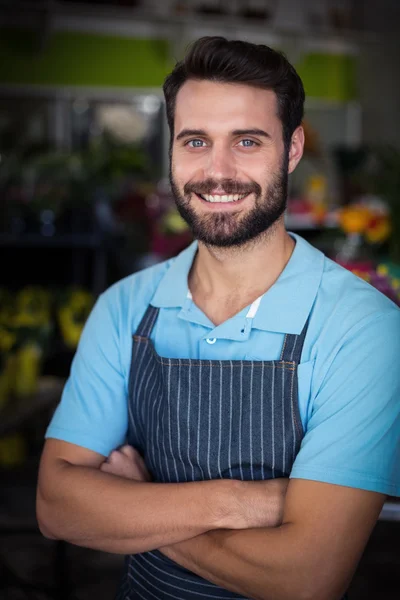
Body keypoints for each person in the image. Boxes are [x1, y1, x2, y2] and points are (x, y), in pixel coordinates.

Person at [37, 37, 400, 600]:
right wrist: (240, 502)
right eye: (196, 140)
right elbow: (57, 507)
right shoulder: (126, 307)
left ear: (293, 148)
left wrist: (140, 506)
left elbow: (306, 578)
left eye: (248, 141)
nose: (218, 171)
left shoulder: (362, 329)